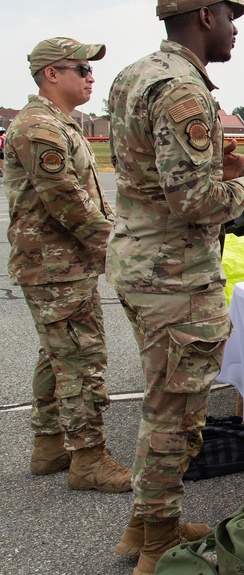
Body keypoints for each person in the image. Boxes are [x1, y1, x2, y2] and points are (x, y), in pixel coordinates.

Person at [106, 0, 244, 575]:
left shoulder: (134, 76)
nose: (235, 30)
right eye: (231, 17)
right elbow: (195, 202)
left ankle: (144, 523)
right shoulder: (184, 91)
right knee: (175, 413)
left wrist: (219, 164)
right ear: (205, 17)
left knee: (163, 397)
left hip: (139, 262)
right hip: (173, 276)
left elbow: (149, 171)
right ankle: (157, 544)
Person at [4, 37, 132, 492]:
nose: (90, 76)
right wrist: (123, 248)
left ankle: (50, 445)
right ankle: (89, 459)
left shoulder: (59, 124)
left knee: (57, 353)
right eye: (81, 68)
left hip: (59, 264)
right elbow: (70, 205)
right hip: (55, 266)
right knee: (81, 359)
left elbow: (84, 202)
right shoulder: (40, 128)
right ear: (51, 74)